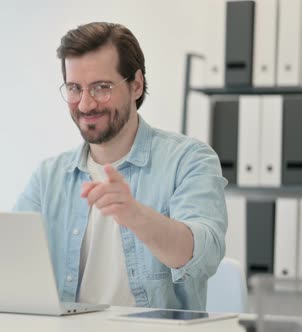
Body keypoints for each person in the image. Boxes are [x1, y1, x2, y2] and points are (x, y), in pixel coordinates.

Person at [14, 22, 227, 310]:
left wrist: (136, 215)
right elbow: (10, 260)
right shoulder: (48, 177)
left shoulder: (189, 160)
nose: (86, 104)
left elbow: (205, 253)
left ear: (136, 84)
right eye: (75, 88)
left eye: (102, 88)